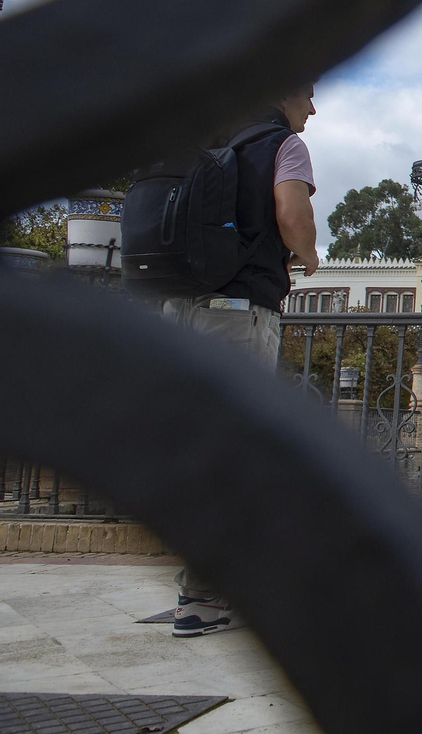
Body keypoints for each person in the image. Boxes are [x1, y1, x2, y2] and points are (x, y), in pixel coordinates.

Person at [165, 84, 318, 636]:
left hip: (177, 311)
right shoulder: (282, 144)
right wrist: (310, 256)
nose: (313, 108)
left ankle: (200, 584)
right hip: (236, 314)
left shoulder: (209, 138)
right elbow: (292, 215)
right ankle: (205, 595)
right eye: (308, 94)